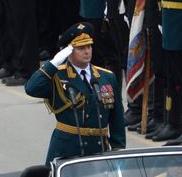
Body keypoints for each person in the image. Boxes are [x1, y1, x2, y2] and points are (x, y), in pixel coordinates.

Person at [24, 22, 127, 162]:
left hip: (98, 150)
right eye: (81, 48)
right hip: (67, 150)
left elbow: (117, 119)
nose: (87, 51)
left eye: (89, 46)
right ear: (69, 51)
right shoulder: (57, 75)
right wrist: (53, 63)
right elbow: (31, 88)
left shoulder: (106, 77)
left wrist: (118, 150)